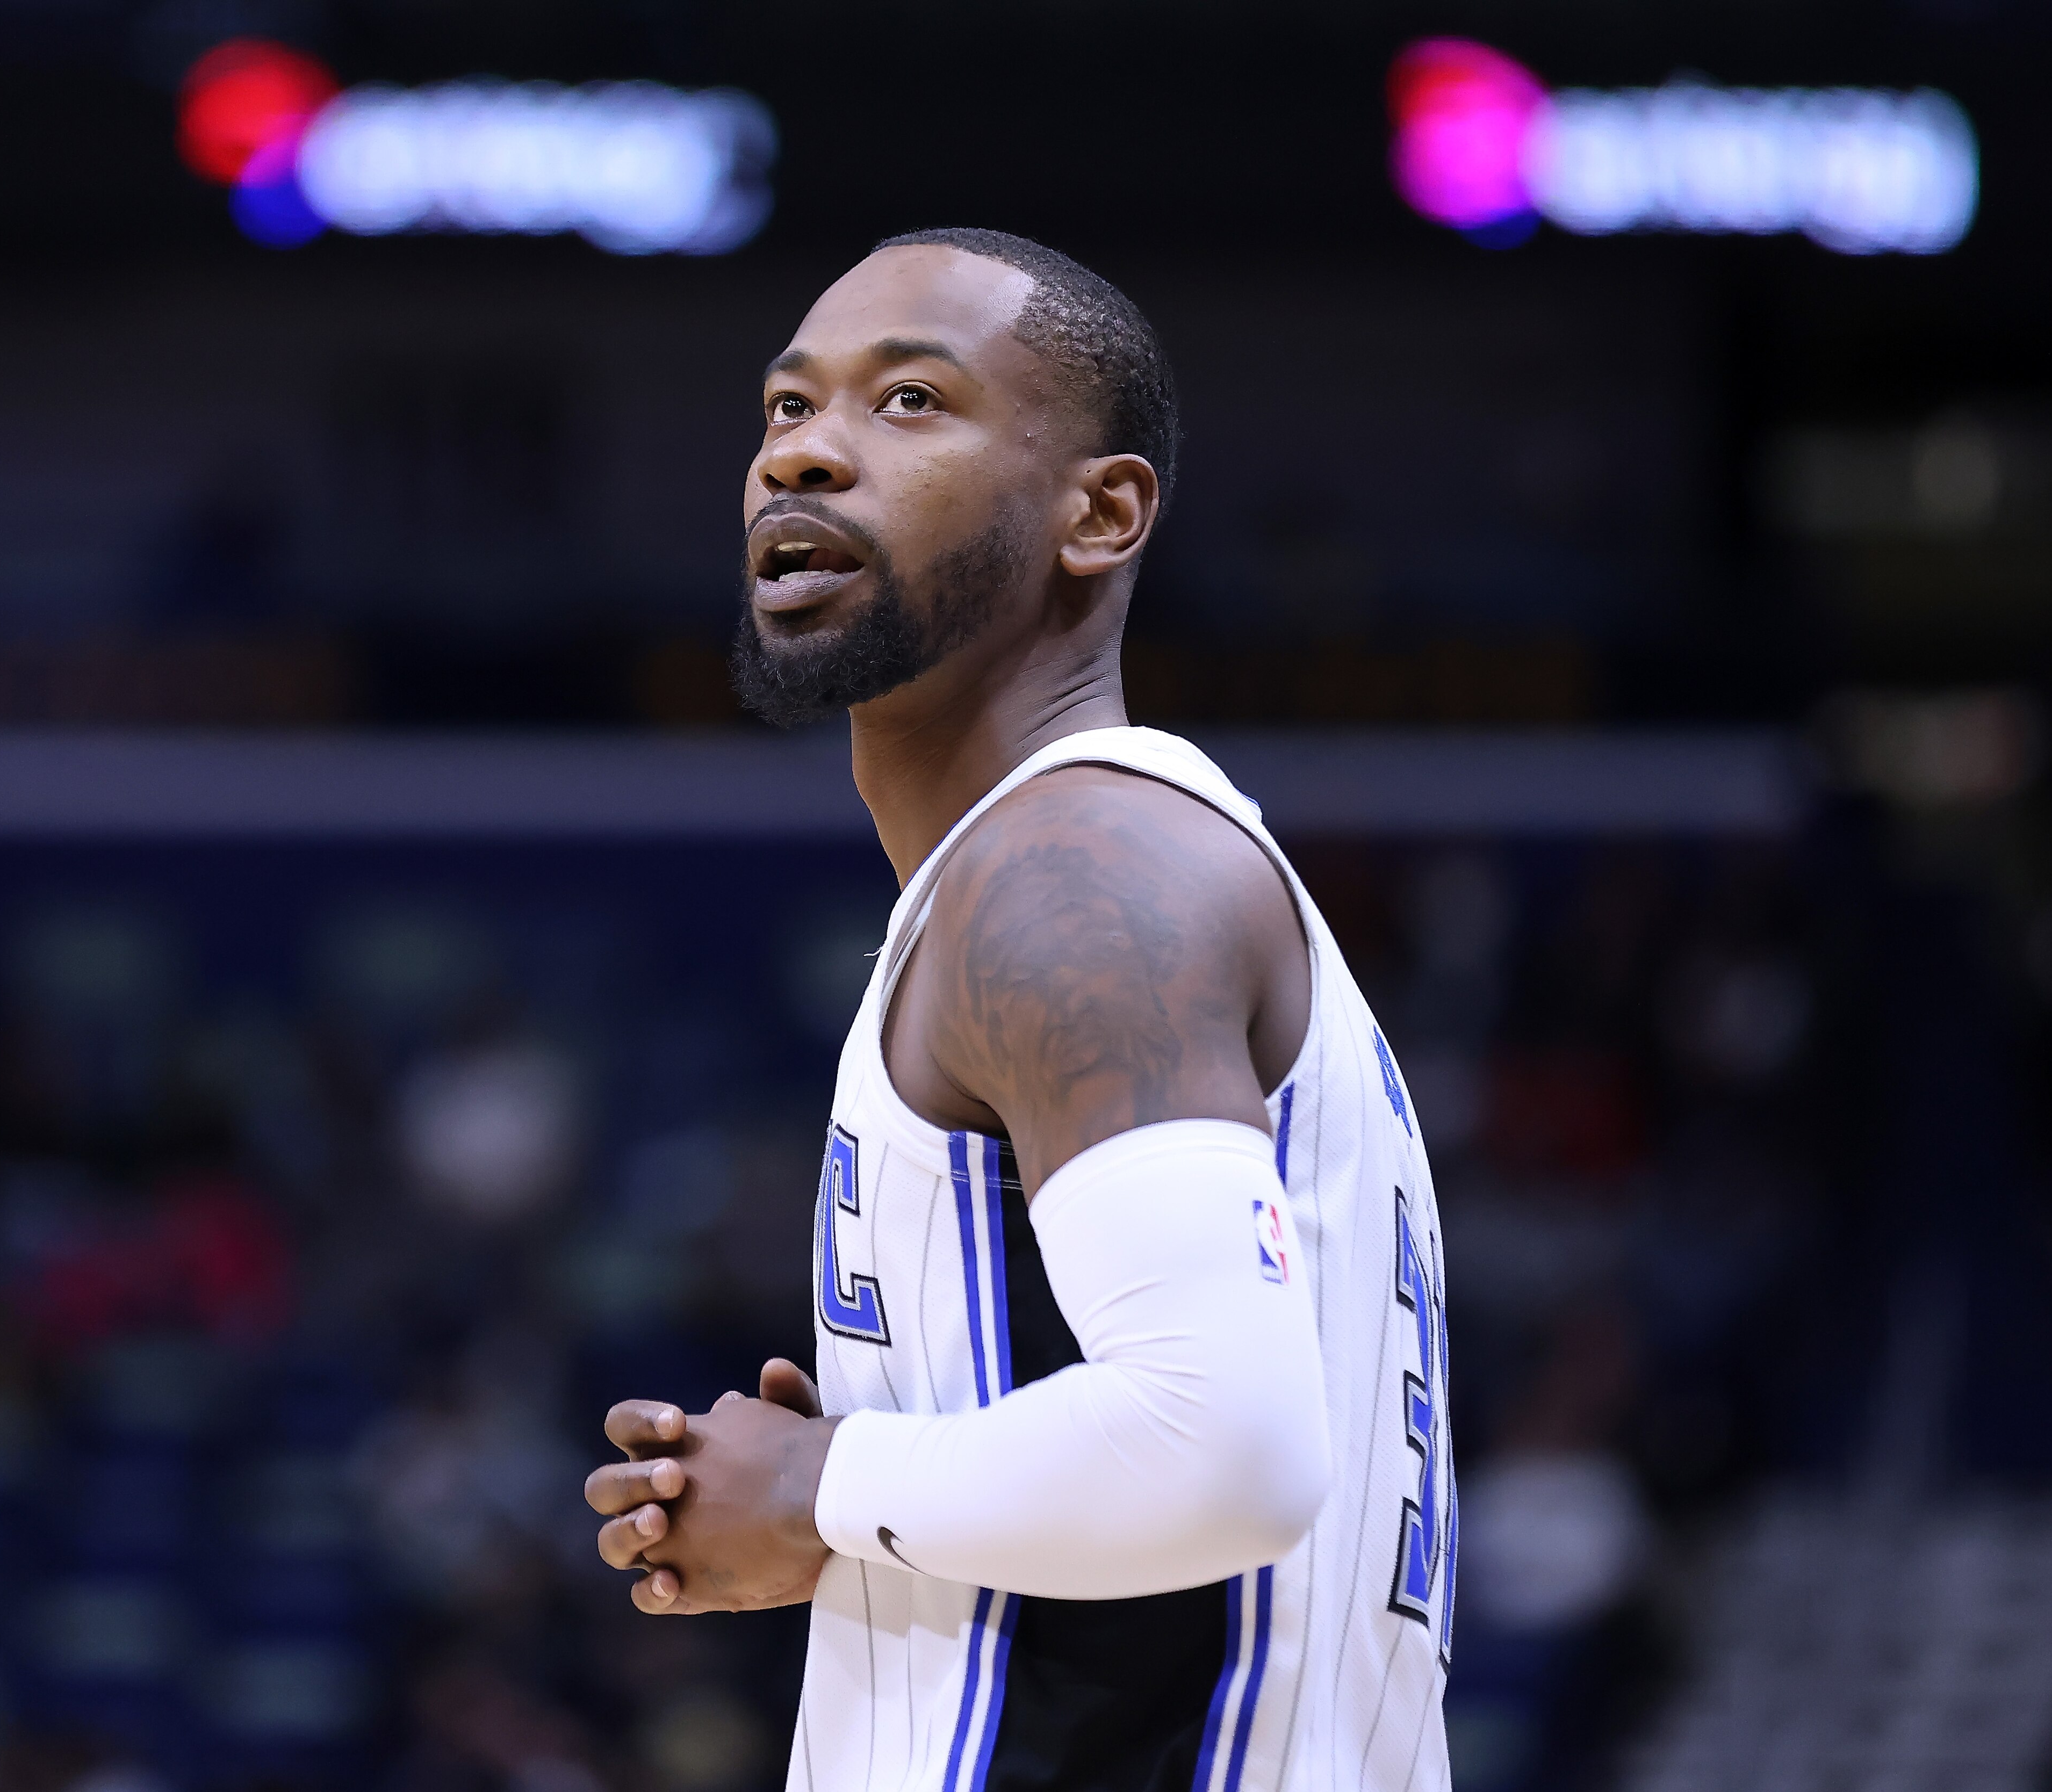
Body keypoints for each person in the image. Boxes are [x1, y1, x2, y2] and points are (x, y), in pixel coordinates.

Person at [582, 228, 1456, 1792]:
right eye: (787, 406)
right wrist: (856, 1491)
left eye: (910, 401)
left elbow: (1229, 1451)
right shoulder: (1064, 870)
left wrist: (823, 1484)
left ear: (1099, 514)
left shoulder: (1075, 877)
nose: (806, 455)